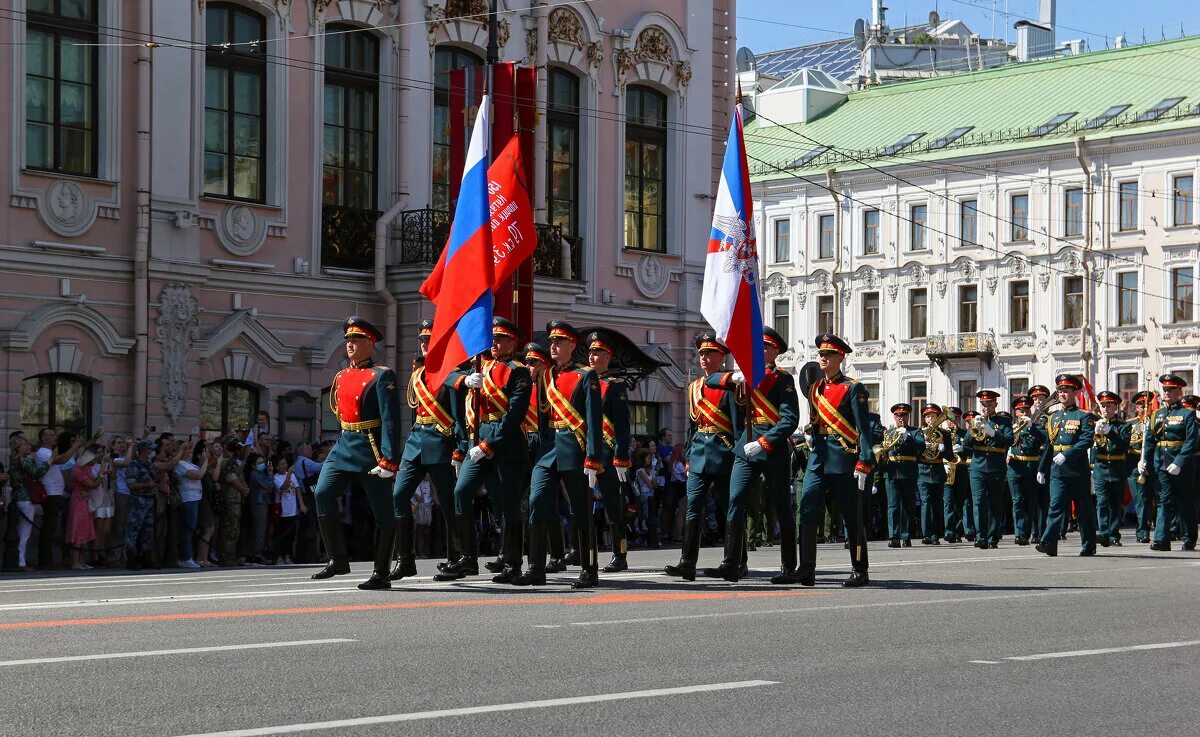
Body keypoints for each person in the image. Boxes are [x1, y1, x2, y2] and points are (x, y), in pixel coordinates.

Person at [436, 317, 533, 582]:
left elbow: (515, 414)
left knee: (509, 505)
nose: (494, 343)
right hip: (476, 439)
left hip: (506, 443)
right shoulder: (478, 366)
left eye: (500, 339)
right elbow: (446, 376)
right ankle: (468, 558)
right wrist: (466, 380)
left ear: (512, 342)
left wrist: (489, 444)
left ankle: (513, 563)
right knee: (461, 491)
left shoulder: (518, 370)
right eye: (492, 338)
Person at [702, 326, 799, 583]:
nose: (761, 351)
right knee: (735, 501)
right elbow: (709, 380)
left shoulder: (782, 379)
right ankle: (732, 563)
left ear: (776, 351)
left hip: (772, 449)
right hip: (745, 447)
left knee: (781, 506)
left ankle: (789, 566)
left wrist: (765, 442)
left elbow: (790, 419)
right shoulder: (743, 375)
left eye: (766, 347)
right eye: (758, 347)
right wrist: (731, 378)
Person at [312, 317, 402, 589]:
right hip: (344, 443)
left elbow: (390, 420)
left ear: (370, 343)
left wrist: (389, 458)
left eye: (356, 340)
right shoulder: (340, 376)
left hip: (370, 447)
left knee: (383, 513)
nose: (350, 344)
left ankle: (381, 573)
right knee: (322, 493)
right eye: (348, 340)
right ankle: (338, 559)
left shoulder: (381, 375)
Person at [514, 321, 604, 588]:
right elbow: (543, 417)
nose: (553, 346)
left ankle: (589, 568)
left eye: (559, 342)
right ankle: (536, 568)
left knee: (580, 510)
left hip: (574, 448)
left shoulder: (585, 375)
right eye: (551, 342)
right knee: (537, 502)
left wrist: (593, 456)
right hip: (549, 448)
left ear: (571, 346)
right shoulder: (545, 376)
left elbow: (593, 418)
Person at [795, 333, 874, 587]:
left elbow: (863, 429)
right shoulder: (815, 388)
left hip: (843, 458)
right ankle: (806, 569)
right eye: (821, 354)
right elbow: (816, 421)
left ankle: (860, 569)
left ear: (840, 357)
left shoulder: (853, 388)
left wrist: (864, 460)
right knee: (806, 509)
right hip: (818, 458)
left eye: (828, 355)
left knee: (852, 516)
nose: (823, 358)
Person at [390, 318, 463, 581]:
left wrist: (461, 448)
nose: (423, 345)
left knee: (447, 503)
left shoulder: (450, 374)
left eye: (428, 340)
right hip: (416, 443)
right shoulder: (417, 375)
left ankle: (456, 558)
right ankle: (405, 560)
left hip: (442, 444)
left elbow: (459, 417)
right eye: (421, 340)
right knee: (399, 495)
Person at [665, 332, 735, 581]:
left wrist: (739, 455)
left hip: (724, 452)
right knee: (693, 508)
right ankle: (687, 562)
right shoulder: (695, 387)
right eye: (702, 353)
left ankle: (734, 561)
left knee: (729, 509)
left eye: (710, 353)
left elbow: (737, 426)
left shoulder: (731, 385)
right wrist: (688, 452)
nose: (704, 358)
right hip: (698, 456)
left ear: (722, 356)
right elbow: (692, 426)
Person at [584, 330, 635, 571]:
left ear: (609, 356)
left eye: (598, 352)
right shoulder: (582, 383)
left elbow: (623, 425)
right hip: (585, 453)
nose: (593, 357)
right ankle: (583, 553)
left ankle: (620, 554)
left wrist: (621, 456)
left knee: (614, 508)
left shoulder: (615, 387)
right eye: (591, 352)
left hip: (607, 454)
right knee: (583, 507)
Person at [1036, 374, 1098, 557]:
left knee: (1083, 510)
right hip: (1058, 470)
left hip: (1077, 470)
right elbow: (1050, 444)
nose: (1062, 394)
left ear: (1074, 393)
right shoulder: (1053, 417)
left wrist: (1067, 454)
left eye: (1066, 391)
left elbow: (1086, 440)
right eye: (1060, 391)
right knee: (1055, 506)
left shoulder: (1083, 417)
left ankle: (1089, 545)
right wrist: (1041, 468)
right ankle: (1049, 543)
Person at [1142, 374, 1198, 551]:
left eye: (1170, 389)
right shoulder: (1156, 415)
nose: (1166, 392)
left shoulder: (1187, 414)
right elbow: (1150, 441)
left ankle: (1189, 538)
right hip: (1162, 464)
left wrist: (1180, 461)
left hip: (1182, 466)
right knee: (1163, 501)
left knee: (1185, 503)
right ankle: (1161, 539)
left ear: (1179, 392)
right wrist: (1144, 461)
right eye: (1165, 389)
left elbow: (1191, 441)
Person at [964, 390, 1015, 549]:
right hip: (978, 466)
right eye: (983, 405)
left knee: (995, 502)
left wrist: (993, 432)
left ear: (995, 405)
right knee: (978, 502)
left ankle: (992, 537)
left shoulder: (1004, 421)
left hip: (996, 466)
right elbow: (966, 443)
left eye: (989, 404)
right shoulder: (975, 421)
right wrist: (974, 429)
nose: (985, 408)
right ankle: (980, 537)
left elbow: (1009, 440)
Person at [35, 428, 85, 568]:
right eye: (51, 435)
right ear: (44, 438)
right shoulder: (43, 452)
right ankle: (46, 561)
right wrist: (76, 446)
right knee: (49, 528)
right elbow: (62, 460)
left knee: (52, 528)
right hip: (51, 494)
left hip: (56, 493)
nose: (55, 437)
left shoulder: (50, 451)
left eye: (55, 434)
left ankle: (48, 560)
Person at [1092, 391, 1131, 547]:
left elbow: (1122, 445)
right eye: (1103, 406)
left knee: (1115, 504)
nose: (1105, 409)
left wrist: (1110, 433)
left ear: (1116, 407)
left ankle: (1114, 534)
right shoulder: (1096, 423)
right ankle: (1103, 533)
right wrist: (1094, 434)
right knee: (1101, 502)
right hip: (1100, 468)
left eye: (1109, 405)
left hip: (1117, 469)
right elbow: (1092, 448)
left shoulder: (1123, 426)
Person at [882, 403, 923, 548]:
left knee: (908, 506)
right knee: (893, 505)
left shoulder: (915, 431)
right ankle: (894, 536)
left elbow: (921, 446)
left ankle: (906, 536)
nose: (901, 418)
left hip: (908, 472)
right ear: (894, 417)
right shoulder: (888, 433)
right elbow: (884, 451)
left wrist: (907, 437)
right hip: (892, 472)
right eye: (898, 416)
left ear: (908, 416)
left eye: (904, 415)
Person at [1006, 395, 1045, 546]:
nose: (1024, 413)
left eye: (1027, 410)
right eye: (1021, 410)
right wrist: (1007, 453)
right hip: (1014, 467)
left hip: (1031, 466)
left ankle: (1029, 532)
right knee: (1017, 501)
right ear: (1016, 413)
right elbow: (1003, 441)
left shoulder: (1036, 427)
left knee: (1030, 501)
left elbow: (1044, 439)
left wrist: (1031, 427)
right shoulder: (1011, 427)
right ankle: (1020, 534)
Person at [7, 436, 47, 571]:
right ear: (18, 447)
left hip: (17, 497)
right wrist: (49, 462)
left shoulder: (13, 460)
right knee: (25, 532)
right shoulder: (23, 460)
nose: (28, 447)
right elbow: (37, 473)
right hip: (25, 498)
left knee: (19, 531)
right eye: (25, 444)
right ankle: (21, 563)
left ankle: (19, 560)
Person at [916, 405, 952, 545]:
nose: (930, 419)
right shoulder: (919, 433)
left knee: (937, 503)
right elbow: (916, 453)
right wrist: (922, 445)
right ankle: (926, 534)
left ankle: (936, 534)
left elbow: (950, 456)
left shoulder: (944, 434)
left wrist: (942, 449)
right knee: (926, 502)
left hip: (937, 470)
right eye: (927, 416)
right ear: (924, 418)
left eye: (933, 416)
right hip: (923, 469)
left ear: (938, 417)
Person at [66, 445, 103, 570]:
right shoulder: (77, 470)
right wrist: (102, 473)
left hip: (84, 500)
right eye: (93, 458)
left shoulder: (87, 468)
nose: (94, 461)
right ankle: (75, 562)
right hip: (78, 502)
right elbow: (93, 484)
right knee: (77, 531)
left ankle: (81, 561)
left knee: (83, 530)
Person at [174, 442, 210, 568]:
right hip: (188, 498)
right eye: (186, 450)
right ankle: (186, 557)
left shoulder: (189, 464)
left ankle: (189, 556)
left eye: (190, 450)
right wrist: (205, 461)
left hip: (196, 498)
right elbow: (198, 475)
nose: (189, 452)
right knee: (188, 528)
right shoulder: (180, 465)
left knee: (192, 528)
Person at [1127, 391, 1156, 544]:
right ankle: (1142, 531)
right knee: (1140, 499)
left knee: (1149, 499)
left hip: (1151, 465)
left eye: (1147, 405)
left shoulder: (1155, 422)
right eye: (1140, 405)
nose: (1144, 408)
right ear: (1136, 407)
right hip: (1133, 465)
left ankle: (1151, 526)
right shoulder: (1131, 424)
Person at [124, 440, 158, 568]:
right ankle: (131, 559)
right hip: (138, 501)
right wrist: (147, 485)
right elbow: (131, 484)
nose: (151, 451)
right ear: (144, 450)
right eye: (150, 449)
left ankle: (146, 557)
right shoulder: (134, 465)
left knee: (148, 531)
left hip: (149, 500)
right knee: (134, 530)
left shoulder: (149, 465)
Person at [271, 455, 305, 564]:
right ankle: (279, 557)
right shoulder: (275, 477)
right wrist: (289, 474)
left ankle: (288, 556)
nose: (285, 466)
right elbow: (284, 487)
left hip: (293, 510)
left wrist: (302, 505)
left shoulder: (292, 475)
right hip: (282, 511)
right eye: (282, 464)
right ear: (276, 467)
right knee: (281, 535)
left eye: (285, 463)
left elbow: (298, 490)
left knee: (291, 536)